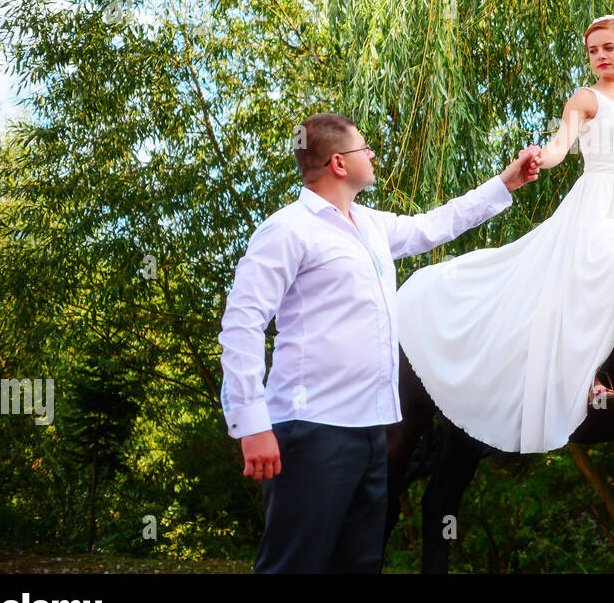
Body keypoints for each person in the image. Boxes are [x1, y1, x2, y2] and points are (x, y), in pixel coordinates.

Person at [218, 112, 541, 573]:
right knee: (295, 566)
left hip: (373, 431)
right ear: (338, 164)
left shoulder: (370, 227)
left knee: (359, 565)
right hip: (311, 430)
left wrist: (504, 184)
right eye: (363, 148)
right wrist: (251, 424)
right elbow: (242, 324)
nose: (372, 154)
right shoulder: (287, 231)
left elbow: (435, 225)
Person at [396, 15, 614, 455]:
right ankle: (592, 379)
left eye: (607, 48)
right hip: (594, 203)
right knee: (592, 273)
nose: (599, 57)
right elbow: (562, 146)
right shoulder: (586, 99)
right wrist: (540, 155)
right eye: (592, 50)